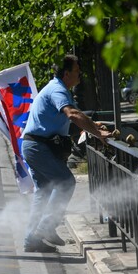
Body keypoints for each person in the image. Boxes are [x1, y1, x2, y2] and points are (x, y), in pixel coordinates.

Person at [21, 54, 111, 252]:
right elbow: (72, 114)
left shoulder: (59, 89)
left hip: (34, 145)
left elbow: (71, 118)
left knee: (42, 193)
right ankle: (46, 227)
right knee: (66, 182)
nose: (80, 75)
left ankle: (31, 238)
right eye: (77, 71)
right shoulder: (58, 89)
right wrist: (98, 133)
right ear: (67, 73)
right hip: (38, 146)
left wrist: (92, 125)